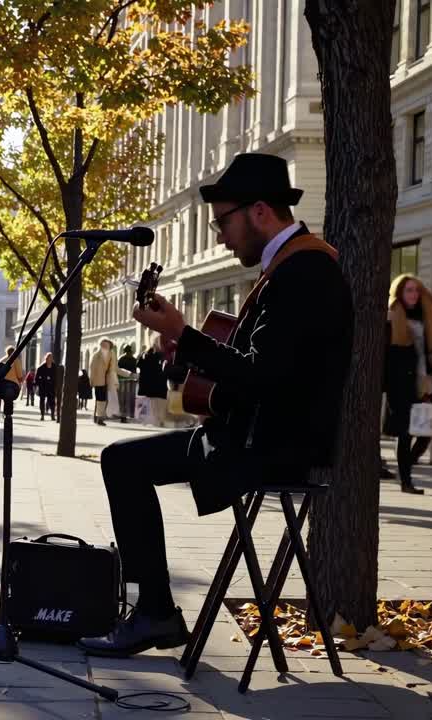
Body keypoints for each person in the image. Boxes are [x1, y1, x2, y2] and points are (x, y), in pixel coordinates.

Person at [78, 153, 352, 657]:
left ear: (260, 211)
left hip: (273, 444)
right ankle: (154, 611)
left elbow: (262, 377)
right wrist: (183, 354)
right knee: (122, 458)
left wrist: (184, 333)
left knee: (123, 461)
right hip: (263, 431)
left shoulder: (304, 273)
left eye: (223, 222)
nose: (221, 236)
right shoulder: (291, 269)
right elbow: (260, 377)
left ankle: (155, 613)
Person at [385, 274, 432, 495]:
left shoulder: (422, 315)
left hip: (423, 379)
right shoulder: (392, 316)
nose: (414, 295)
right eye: (409, 290)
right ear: (399, 292)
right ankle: (406, 481)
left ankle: (405, 466)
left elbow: (427, 349)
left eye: (416, 290)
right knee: (405, 433)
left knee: (428, 430)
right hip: (401, 382)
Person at [136, 343, 168, 427]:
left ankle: (148, 420)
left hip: (147, 384)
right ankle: (160, 420)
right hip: (160, 384)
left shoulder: (144, 356)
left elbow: (138, 365)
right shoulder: (162, 356)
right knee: (160, 404)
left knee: (150, 403)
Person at [89, 339, 119, 426]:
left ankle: (98, 416)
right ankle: (99, 418)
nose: (106, 347)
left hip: (107, 380)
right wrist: (91, 381)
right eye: (104, 345)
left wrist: (128, 374)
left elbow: (114, 368)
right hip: (98, 380)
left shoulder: (111, 355)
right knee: (100, 399)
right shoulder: (96, 355)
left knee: (103, 400)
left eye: (107, 345)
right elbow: (92, 369)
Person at [117, 345, 139, 422]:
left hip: (122, 380)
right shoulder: (133, 359)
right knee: (129, 398)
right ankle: (127, 415)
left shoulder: (121, 358)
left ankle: (123, 415)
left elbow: (118, 370)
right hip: (131, 380)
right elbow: (135, 370)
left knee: (122, 398)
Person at [36, 353, 57, 421]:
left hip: (51, 387)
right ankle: (42, 415)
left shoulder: (54, 367)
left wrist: (56, 385)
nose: (49, 360)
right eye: (48, 358)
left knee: (52, 401)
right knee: (42, 401)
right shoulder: (41, 367)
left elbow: (57, 377)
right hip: (43, 386)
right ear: (46, 359)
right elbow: (37, 378)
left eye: (51, 358)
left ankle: (52, 415)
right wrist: (40, 383)